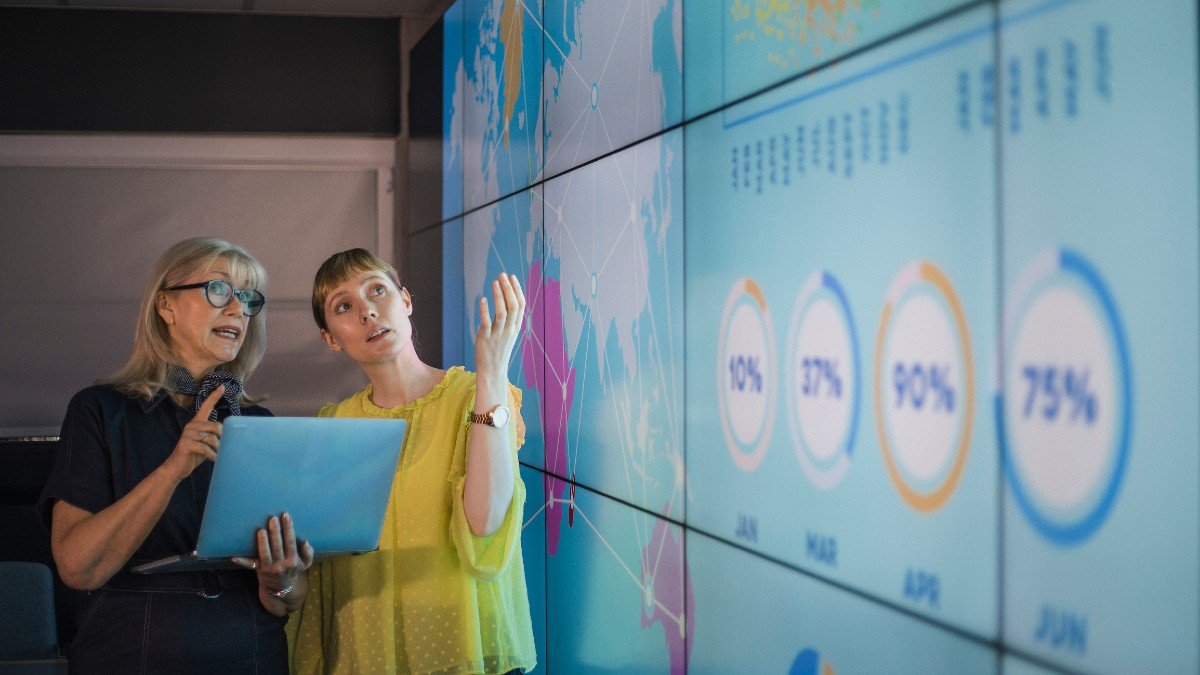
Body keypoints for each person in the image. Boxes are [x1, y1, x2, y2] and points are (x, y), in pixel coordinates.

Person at [38, 237, 314, 673]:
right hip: (137, 646)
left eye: (248, 298)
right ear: (165, 306)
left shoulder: (259, 422)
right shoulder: (99, 410)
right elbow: (78, 568)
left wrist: (280, 580)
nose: (238, 309)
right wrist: (173, 470)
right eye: (219, 290)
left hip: (251, 648)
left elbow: (288, 603)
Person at [287, 248, 536, 674]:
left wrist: (493, 374)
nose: (367, 311)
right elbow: (318, 567)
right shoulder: (333, 426)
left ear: (405, 301)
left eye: (377, 291)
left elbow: (485, 523)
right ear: (331, 337)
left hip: (466, 648)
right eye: (344, 306)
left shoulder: (479, 394)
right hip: (366, 653)